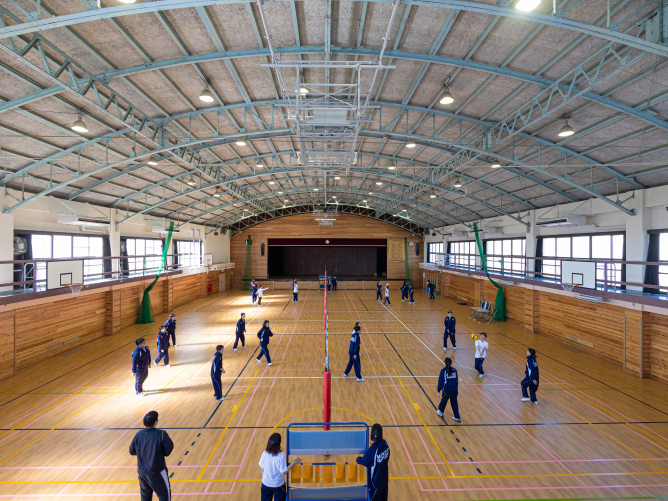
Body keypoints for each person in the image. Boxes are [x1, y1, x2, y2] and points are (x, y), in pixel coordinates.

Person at [129, 411, 174, 501]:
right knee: (165, 497)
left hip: (142, 472)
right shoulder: (161, 434)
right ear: (155, 422)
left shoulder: (138, 434)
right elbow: (168, 451)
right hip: (157, 472)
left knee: (145, 498)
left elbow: (132, 451)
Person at [258, 433, 301, 501]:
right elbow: (283, 473)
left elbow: (262, 470)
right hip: (278, 486)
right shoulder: (281, 455)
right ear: (279, 443)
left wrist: (267, 480)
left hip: (265, 485)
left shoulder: (264, 453)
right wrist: (293, 463)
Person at [356, 423, 390, 501]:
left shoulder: (373, 450)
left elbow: (363, 461)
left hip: (376, 483)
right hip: (384, 478)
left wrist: (358, 459)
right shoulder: (385, 444)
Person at [437, 357, 460, 421]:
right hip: (454, 390)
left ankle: (441, 412)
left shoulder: (443, 371)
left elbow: (441, 381)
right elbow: (456, 380)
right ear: (451, 363)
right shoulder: (455, 370)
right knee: (454, 404)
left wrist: (438, 390)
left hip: (447, 390)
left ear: (445, 363)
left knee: (443, 402)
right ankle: (457, 417)